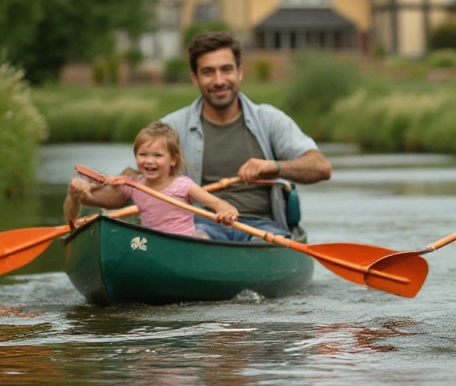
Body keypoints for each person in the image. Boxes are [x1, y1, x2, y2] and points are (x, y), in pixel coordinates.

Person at [69, 31, 332, 241]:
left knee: (264, 242)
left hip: (263, 229)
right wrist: (86, 194)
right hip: (201, 229)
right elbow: (129, 186)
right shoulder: (170, 127)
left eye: (226, 70)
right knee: (199, 237)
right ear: (195, 78)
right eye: (208, 72)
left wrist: (272, 166)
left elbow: (321, 168)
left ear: (239, 72)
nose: (219, 80)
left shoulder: (270, 119)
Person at [64, 122, 238, 237]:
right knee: (115, 224)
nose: (149, 160)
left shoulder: (183, 185)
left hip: (183, 244)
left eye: (157, 155)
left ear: (173, 160)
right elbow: (74, 215)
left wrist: (227, 213)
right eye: (143, 154)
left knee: (202, 237)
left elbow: (220, 204)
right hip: (153, 244)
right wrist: (74, 194)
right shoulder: (134, 184)